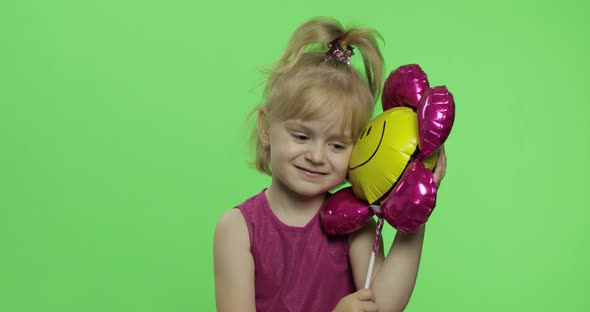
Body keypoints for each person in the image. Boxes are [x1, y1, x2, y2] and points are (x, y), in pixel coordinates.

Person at [214, 17, 447, 312]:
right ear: (265, 127)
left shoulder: (352, 224)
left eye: (337, 145)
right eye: (301, 136)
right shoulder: (237, 229)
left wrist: (416, 208)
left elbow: (384, 306)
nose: (316, 155)